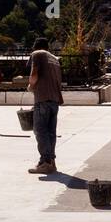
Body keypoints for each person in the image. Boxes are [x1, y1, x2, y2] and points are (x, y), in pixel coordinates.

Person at [27, 37, 63, 175]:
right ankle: (51, 163)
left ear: (35, 47)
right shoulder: (54, 58)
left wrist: (31, 85)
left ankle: (45, 162)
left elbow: (34, 72)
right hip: (54, 100)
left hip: (43, 99)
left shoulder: (37, 54)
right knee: (50, 132)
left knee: (40, 130)